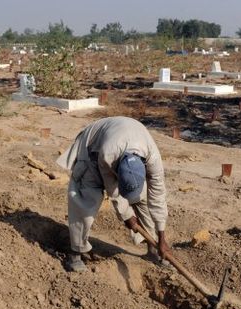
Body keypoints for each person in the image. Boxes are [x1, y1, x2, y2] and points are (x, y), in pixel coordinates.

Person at [56, 116, 170, 272]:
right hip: (93, 148)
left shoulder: (153, 158)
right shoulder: (107, 154)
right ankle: (75, 253)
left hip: (123, 137)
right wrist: (127, 215)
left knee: (143, 199)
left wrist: (162, 238)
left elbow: (158, 197)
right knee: (87, 199)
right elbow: (113, 190)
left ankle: (153, 250)